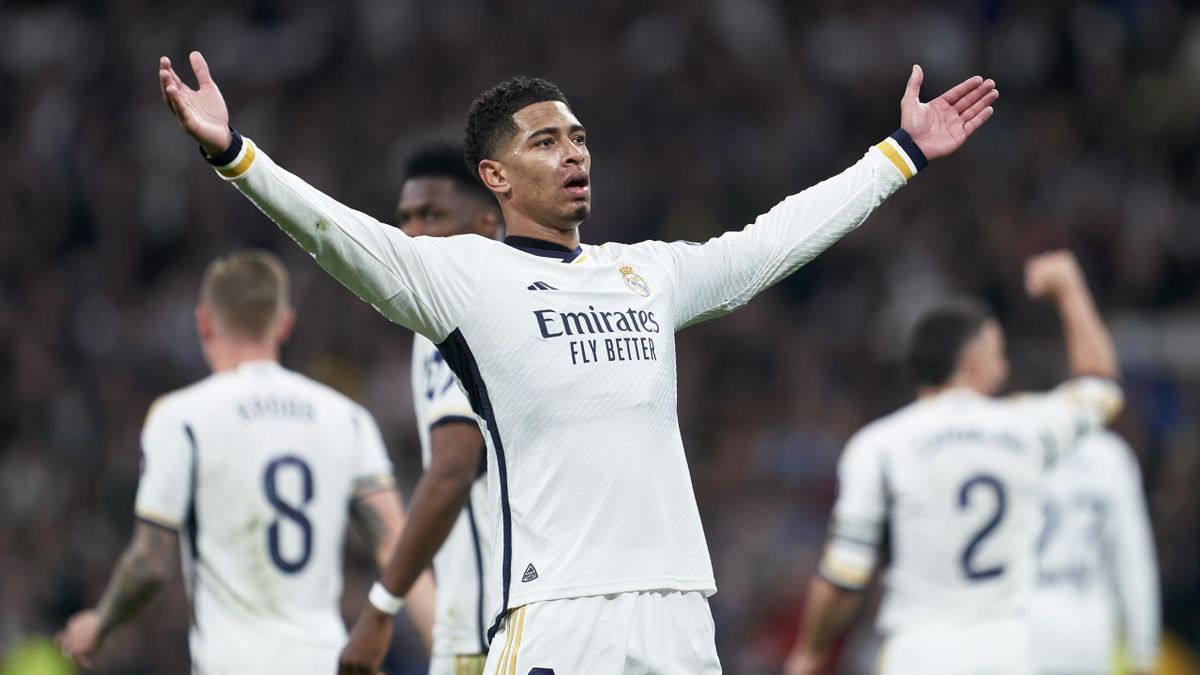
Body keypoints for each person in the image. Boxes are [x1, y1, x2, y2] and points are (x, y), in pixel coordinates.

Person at [158, 50, 997, 673]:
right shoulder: (464, 277)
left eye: (580, 138)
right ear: (495, 175)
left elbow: (770, 242)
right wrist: (236, 153)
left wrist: (899, 155)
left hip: (677, 609)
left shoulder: (646, 273)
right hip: (559, 613)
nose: (574, 154)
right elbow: (339, 236)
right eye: (547, 140)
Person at [55, 250, 435, 674]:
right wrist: (446, 645)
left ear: (203, 322)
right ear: (284, 322)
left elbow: (150, 564)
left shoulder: (181, 418)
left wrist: (99, 624)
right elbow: (397, 547)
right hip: (323, 661)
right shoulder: (346, 417)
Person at [783, 250, 1125, 675]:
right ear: (972, 358)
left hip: (920, 651)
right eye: (998, 349)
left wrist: (810, 651)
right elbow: (1100, 387)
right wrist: (1070, 289)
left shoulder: (880, 444)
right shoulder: (1026, 429)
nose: (1005, 363)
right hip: (1007, 651)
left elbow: (845, 575)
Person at [345, 142, 502, 674]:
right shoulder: (543, 298)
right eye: (405, 218)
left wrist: (380, 609)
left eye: (432, 215)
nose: (411, 233)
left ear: (486, 222)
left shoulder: (455, 316)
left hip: (487, 630)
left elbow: (453, 470)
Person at [1030, 428, 1161, 675]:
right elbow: (1132, 560)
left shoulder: (1016, 440)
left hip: (1025, 631)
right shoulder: (1110, 455)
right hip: (1086, 632)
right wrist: (1143, 650)